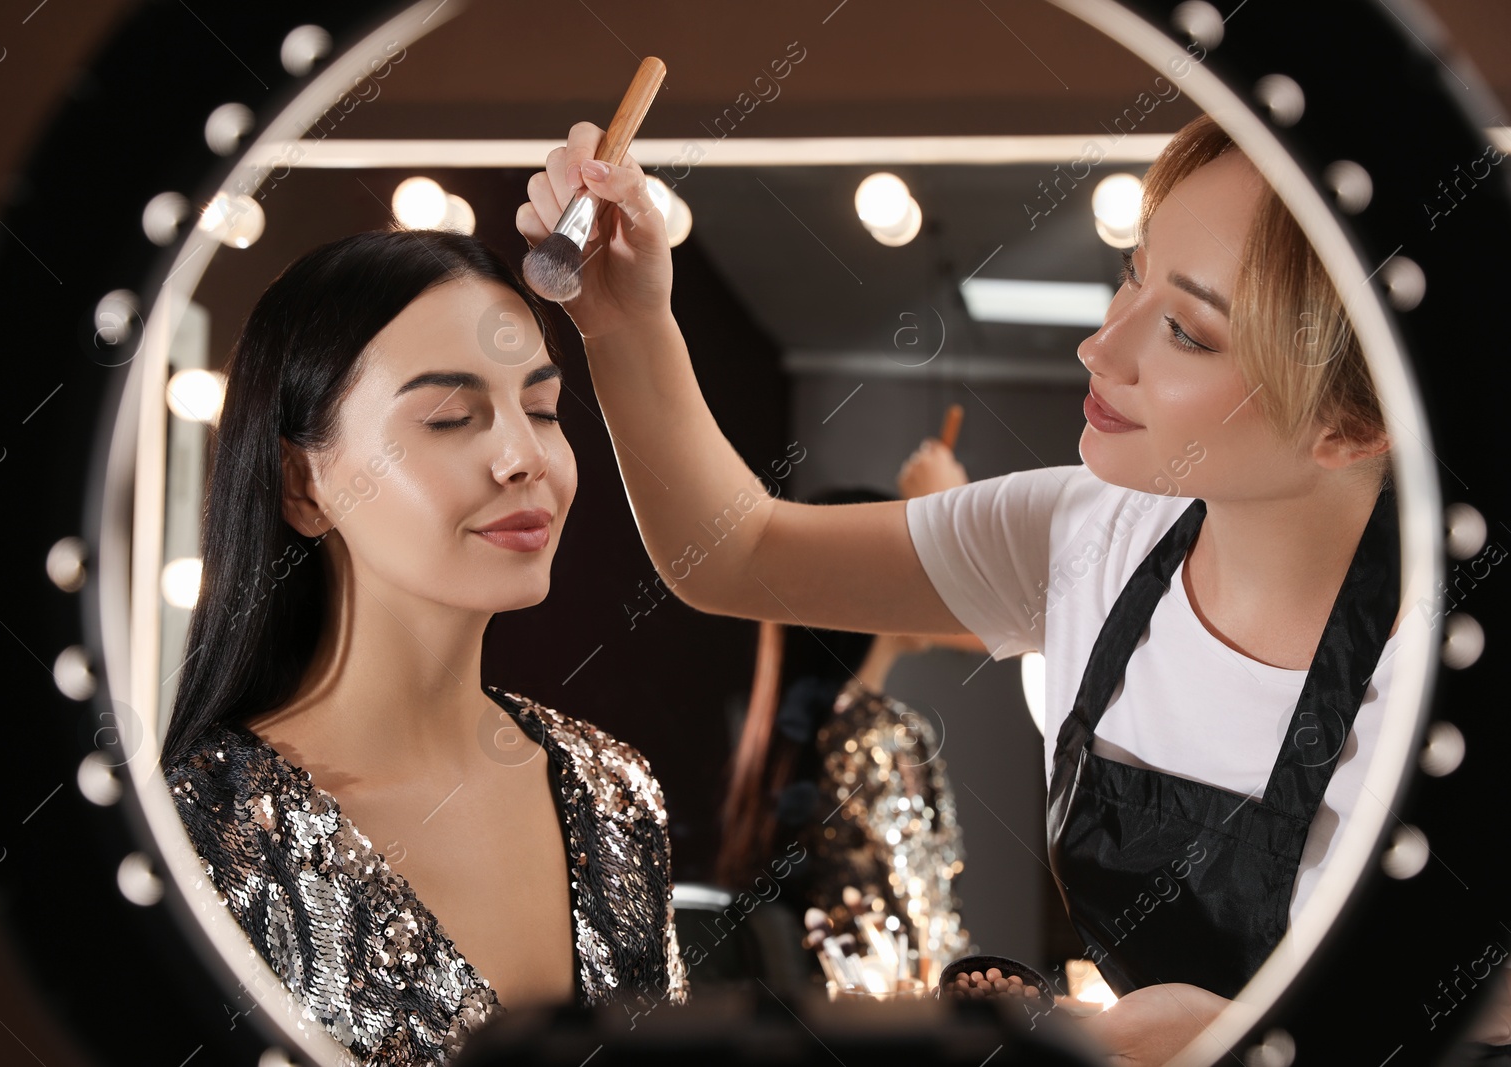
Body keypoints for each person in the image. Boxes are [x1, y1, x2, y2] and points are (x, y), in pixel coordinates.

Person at [515, 112, 1436, 1062]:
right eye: (1132, 271)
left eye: (1186, 331)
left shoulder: (1436, 671)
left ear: (1352, 425)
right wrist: (625, 321)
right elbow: (735, 554)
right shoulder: (1089, 535)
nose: (1102, 346)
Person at [159, 228, 687, 1066]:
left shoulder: (614, 791)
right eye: (450, 417)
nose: (524, 455)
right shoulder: (198, 833)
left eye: (543, 410)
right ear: (304, 484)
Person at [716, 487, 977, 988]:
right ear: (875, 585)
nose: (935, 579)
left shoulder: (792, 736)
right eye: (919, 559)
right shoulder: (885, 736)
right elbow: (924, 938)